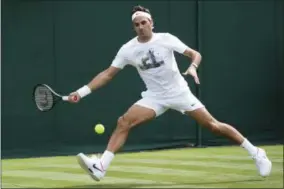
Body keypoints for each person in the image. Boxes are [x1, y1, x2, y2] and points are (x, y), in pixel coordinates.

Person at [67, 5, 272, 181]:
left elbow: (195, 54)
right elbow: (107, 74)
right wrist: (81, 92)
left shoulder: (166, 39)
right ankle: (101, 166)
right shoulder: (127, 49)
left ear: (151, 22)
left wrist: (193, 66)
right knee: (124, 122)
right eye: (137, 25)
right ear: (134, 27)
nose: (140, 27)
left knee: (213, 126)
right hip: (154, 97)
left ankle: (256, 153)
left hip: (179, 93)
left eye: (144, 22)